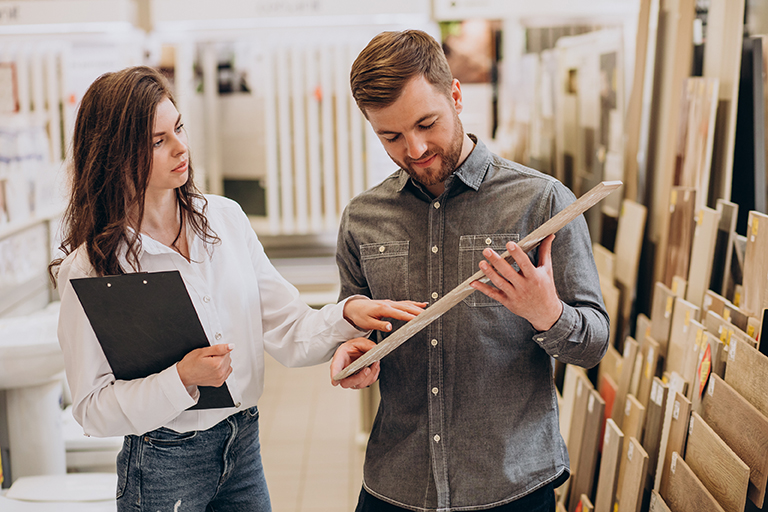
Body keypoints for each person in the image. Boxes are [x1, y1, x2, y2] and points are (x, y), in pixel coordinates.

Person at [50, 66, 423, 512]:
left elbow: (287, 328)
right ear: (114, 154)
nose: (181, 147)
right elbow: (91, 409)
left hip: (242, 444)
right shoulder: (92, 270)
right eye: (157, 141)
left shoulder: (224, 220)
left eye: (179, 128)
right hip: (163, 462)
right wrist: (181, 379)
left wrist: (345, 314)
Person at [330, 30, 610, 512]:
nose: (414, 148)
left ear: (456, 95)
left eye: (427, 123)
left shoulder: (541, 203)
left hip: (511, 486)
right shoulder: (362, 218)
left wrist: (547, 313)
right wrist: (354, 351)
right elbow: (357, 327)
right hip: (398, 484)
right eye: (390, 136)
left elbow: (592, 345)